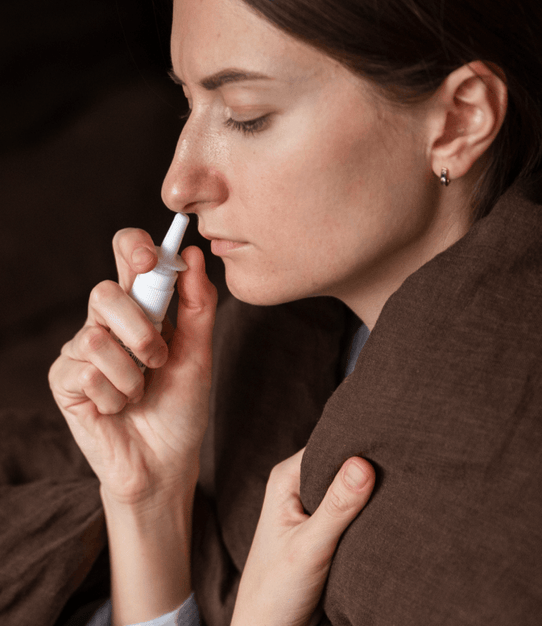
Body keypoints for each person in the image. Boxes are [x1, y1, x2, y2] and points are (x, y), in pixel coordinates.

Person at [49, 0, 542, 624]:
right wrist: (147, 501)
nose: (177, 184)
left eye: (245, 116)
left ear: (457, 120)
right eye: (188, 103)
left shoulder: (505, 471)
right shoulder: (266, 344)